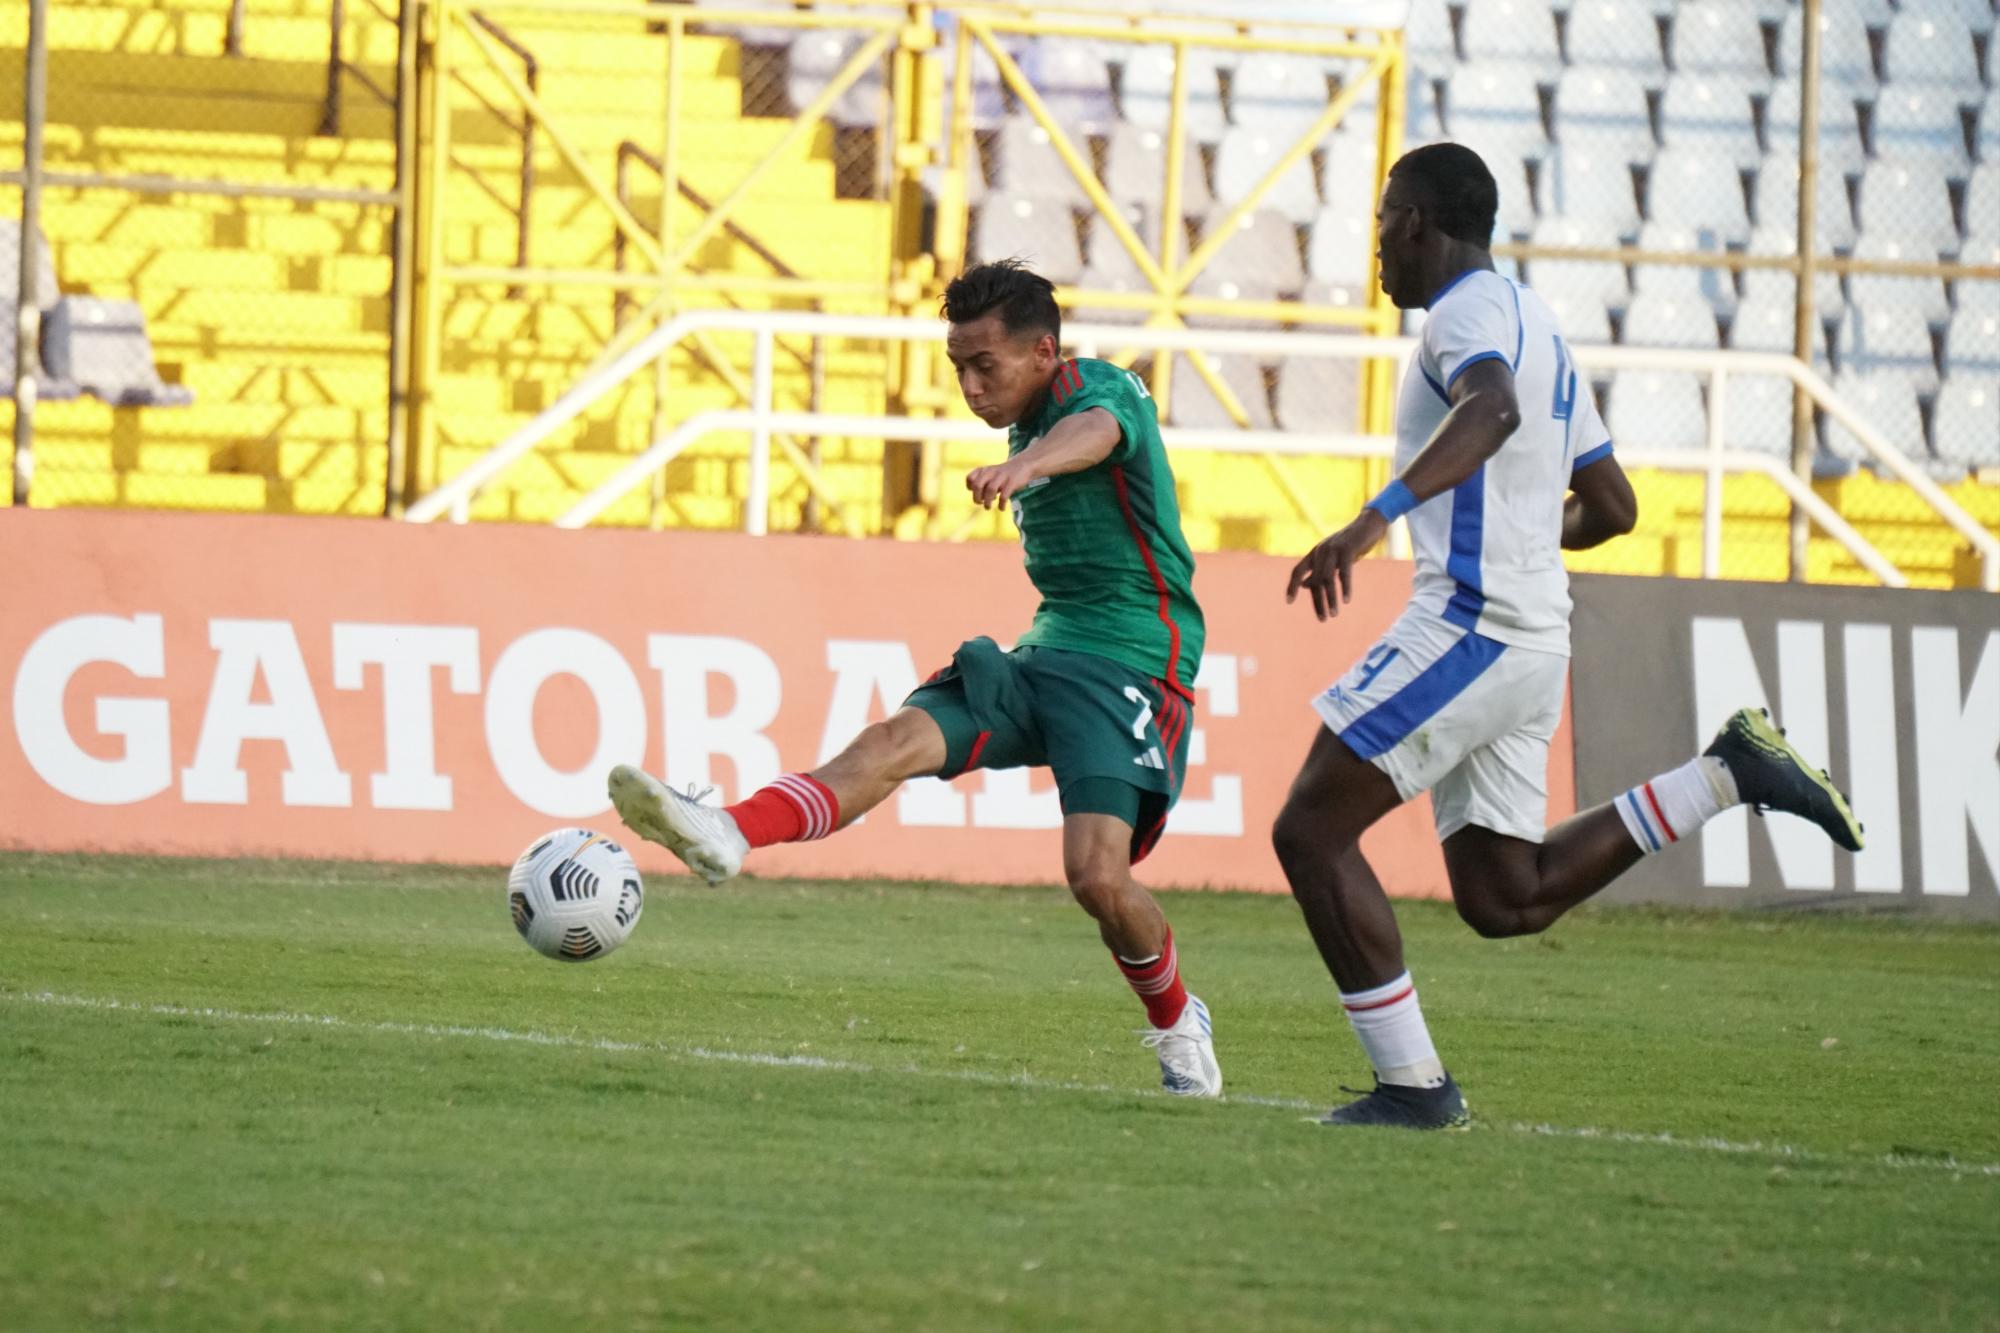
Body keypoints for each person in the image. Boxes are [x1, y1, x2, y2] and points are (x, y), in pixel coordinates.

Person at [1273, 143, 1864, 1130]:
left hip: (1470, 622)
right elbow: (1612, 504)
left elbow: (1490, 411)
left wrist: (1369, 520)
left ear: (1415, 222)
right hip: (1531, 637)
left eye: (1381, 224)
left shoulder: (1460, 315)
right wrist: (1513, 527)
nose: (1374, 247)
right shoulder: (1537, 324)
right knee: (1505, 895)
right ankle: (1724, 772)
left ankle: (1412, 1088)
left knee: (1308, 829)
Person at [607, 259, 1222, 1097]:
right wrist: (1024, 458)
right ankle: (729, 831)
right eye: (957, 368)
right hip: (1044, 652)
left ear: (1044, 353)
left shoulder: (1100, 391)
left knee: (1097, 878)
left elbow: (1098, 437)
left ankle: (1178, 1018)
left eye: (985, 366)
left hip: (1133, 661)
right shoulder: (1028, 416)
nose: (970, 387)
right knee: (893, 739)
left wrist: (1029, 466)